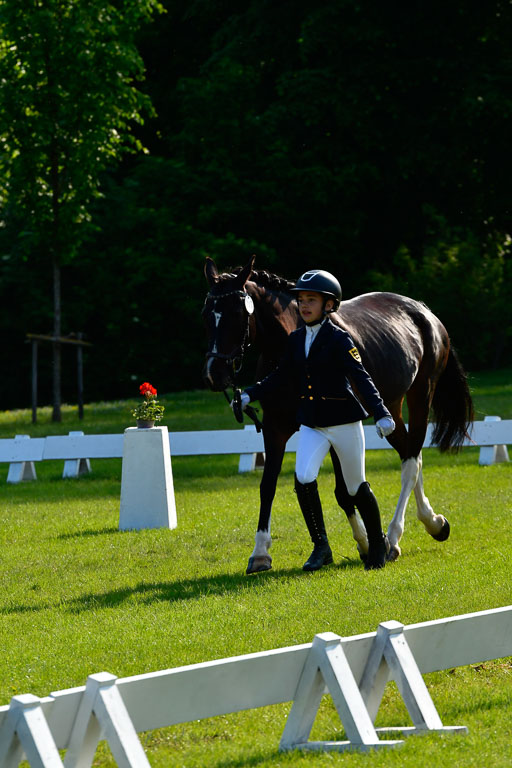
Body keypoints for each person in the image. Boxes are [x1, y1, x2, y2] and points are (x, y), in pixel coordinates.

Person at [235, 269, 395, 571]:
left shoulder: (339, 339)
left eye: (312, 300)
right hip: (312, 424)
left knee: (355, 487)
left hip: (344, 423)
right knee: (304, 477)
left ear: (329, 305)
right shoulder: (296, 340)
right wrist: (250, 393)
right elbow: (282, 375)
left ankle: (378, 543)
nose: (304, 305)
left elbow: (361, 377)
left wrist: (382, 411)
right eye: (301, 299)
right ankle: (321, 546)